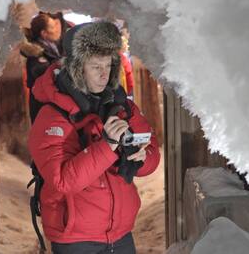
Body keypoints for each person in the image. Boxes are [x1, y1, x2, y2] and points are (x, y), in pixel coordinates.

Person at [28, 21, 160, 254]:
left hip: (120, 235)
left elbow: (152, 154)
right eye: (95, 66)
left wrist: (141, 157)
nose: (104, 74)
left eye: (108, 65)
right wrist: (108, 145)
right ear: (77, 68)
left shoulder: (122, 107)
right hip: (76, 241)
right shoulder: (53, 116)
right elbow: (63, 181)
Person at [20, 11, 72, 122]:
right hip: (43, 105)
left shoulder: (57, 47)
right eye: (53, 27)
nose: (58, 29)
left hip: (57, 102)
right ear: (44, 34)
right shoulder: (35, 55)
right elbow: (44, 76)